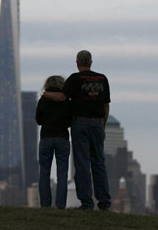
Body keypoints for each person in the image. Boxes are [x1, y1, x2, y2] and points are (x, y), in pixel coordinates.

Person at [44, 50, 111, 210]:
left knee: (82, 164)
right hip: (98, 124)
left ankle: (87, 203)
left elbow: (61, 97)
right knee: (99, 164)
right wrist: (103, 125)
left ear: (77, 62)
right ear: (91, 62)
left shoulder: (75, 79)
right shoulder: (102, 79)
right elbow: (106, 106)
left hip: (80, 124)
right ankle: (104, 202)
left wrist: (46, 93)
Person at [36, 75, 71, 209]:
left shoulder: (43, 100)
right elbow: (70, 120)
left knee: (44, 172)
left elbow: (38, 120)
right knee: (62, 174)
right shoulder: (66, 100)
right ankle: (61, 205)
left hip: (46, 138)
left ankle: (45, 205)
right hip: (62, 138)